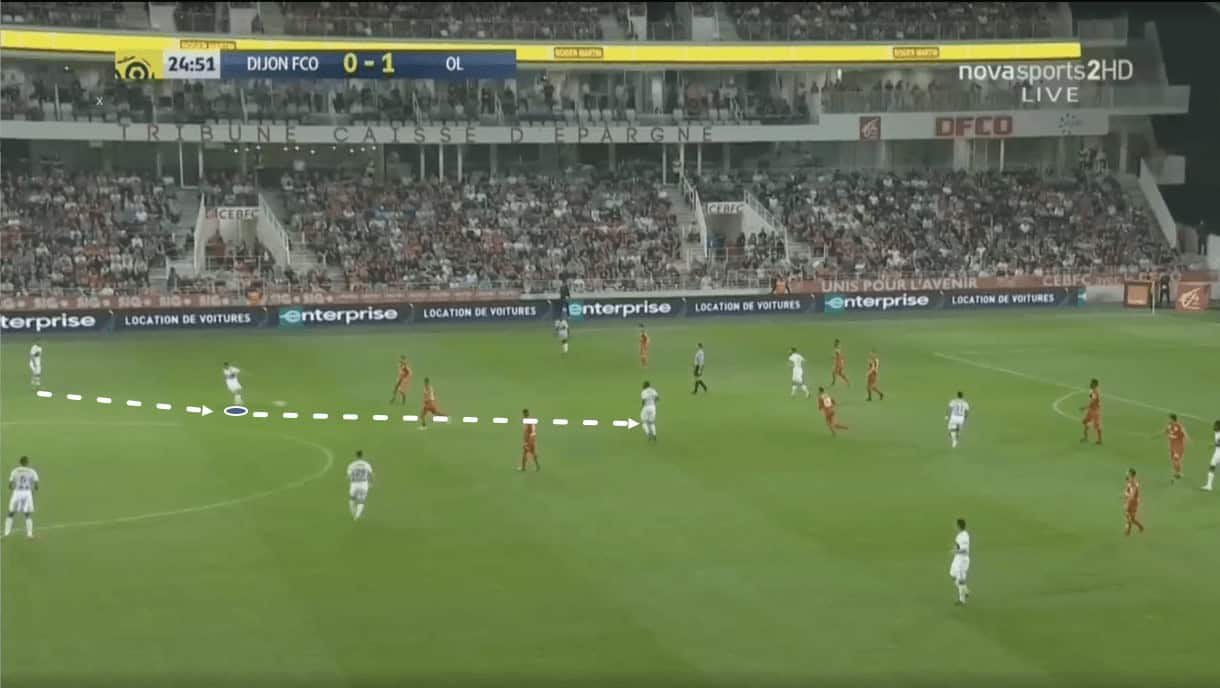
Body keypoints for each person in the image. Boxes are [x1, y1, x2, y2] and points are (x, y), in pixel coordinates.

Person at [5, 456, 39, 539]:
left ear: (20, 463)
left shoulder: (15, 471)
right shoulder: (32, 471)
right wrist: (33, 491)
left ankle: (6, 533)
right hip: (27, 493)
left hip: (17, 492)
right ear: (27, 462)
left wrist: (15, 488)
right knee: (27, 514)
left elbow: (10, 485)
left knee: (11, 513)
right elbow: (36, 485)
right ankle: (29, 534)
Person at [346, 450, 373, 521]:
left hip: (354, 484)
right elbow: (370, 474)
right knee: (361, 501)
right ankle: (357, 516)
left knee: (352, 499)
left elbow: (348, 476)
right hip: (363, 484)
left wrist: (351, 480)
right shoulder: (366, 464)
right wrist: (371, 482)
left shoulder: (351, 465)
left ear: (356, 456)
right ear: (362, 456)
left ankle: (353, 514)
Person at [949, 518, 970, 606]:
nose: (955, 526)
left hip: (962, 560)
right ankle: (965, 590)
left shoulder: (964, 536)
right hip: (957, 558)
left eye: (956, 524)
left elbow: (965, 550)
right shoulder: (959, 535)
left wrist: (955, 551)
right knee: (952, 574)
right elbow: (958, 546)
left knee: (961, 580)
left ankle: (962, 600)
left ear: (958, 526)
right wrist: (955, 549)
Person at [1165, 414, 1187, 484]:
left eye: (1169, 419)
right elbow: (1166, 431)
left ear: (1173, 419)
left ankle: (1177, 473)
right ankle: (1178, 473)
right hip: (1172, 446)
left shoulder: (1179, 426)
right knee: (1173, 461)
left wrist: (1185, 442)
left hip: (1178, 446)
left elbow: (1184, 434)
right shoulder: (1169, 425)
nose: (1169, 420)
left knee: (1175, 459)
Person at [1080, 378, 1102, 444]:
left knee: (1097, 425)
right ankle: (1085, 437)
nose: (1090, 384)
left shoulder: (1094, 392)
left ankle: (1099, 440)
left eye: (1092, 383)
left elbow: (1092, 402)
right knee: (1085, 422)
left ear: (1095, 385)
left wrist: (1084, 407)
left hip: (1095, 411)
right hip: (1091, 410)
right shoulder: (1092, 391)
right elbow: (1092, 400)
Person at [1123, 468, 1145, 536]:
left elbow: (1134, 492)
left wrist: (1128, 495)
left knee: (1130, 517)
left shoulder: (1134, 483)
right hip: (1130, 500)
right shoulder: (1130, 481)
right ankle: (1131, 529)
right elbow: (1128, 489)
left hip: (1133, 501)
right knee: (1128, 515)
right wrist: (1126, 493)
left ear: (1131, 474)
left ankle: (1130, 530)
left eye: (1128, 473)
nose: (1127, 474)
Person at [1203, 419, 1220, 491]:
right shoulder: (1216, 432)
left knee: (1212, 467)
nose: (1213, 426)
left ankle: (1209, 486)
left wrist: (1212, 445)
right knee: (1212, 467)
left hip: (1218, 453)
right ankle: (1209, 485)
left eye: (1215, 425)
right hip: (1217, 452)